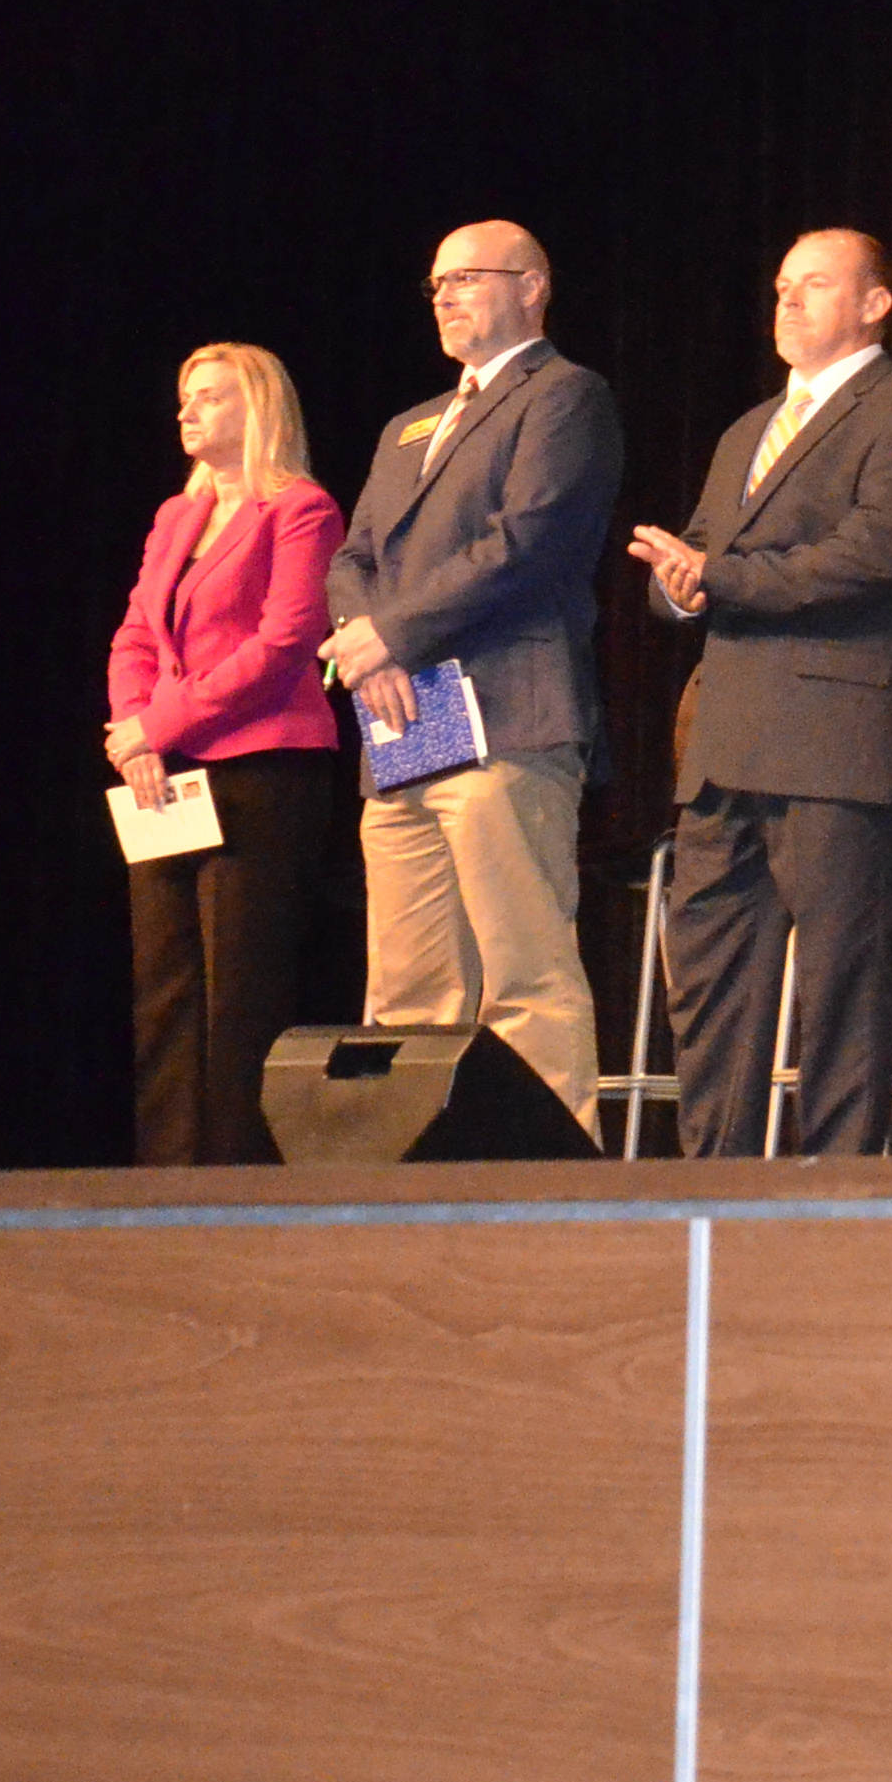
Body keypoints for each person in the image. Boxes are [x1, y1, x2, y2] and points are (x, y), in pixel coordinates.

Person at [630, 229, 892, 1158]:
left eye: (815, 285)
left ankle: (839, 1188)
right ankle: (713, 1182)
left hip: (835, 740)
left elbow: (876, 555)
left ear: (874, 302)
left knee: (840, 987)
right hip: (727, 742)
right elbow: (700, 550)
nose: (789, 302)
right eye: (781, 287)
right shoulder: (747, 428)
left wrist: (719, 577)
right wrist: (673, 584)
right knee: (707, 983)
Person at [328, 221, 624, 1126]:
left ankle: (547, 1183)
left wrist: (394, 637)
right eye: (436, 284)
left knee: (522, 968)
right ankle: (415, 1178)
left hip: (507, 711)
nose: (446, 296)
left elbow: (525, 545)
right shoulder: (408, 423)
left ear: (532, 286)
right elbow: (354, 555)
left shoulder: (565, 396)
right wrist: (362, 637)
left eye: (467, 277)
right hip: (407, 721)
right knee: (411, 978)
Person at [101, 342, 350, 1164]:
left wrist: (156, 727)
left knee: (238, 994)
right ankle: (165, 1178)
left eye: (207, 396)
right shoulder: (177, 517)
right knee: (164, 991)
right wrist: (135, 732)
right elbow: (137, 634)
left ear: (258, 409)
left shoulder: (301, 509)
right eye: (184, 397)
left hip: (264, 771)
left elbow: (284, 644)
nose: (187, 410)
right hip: (168, 776)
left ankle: (234, 1180)